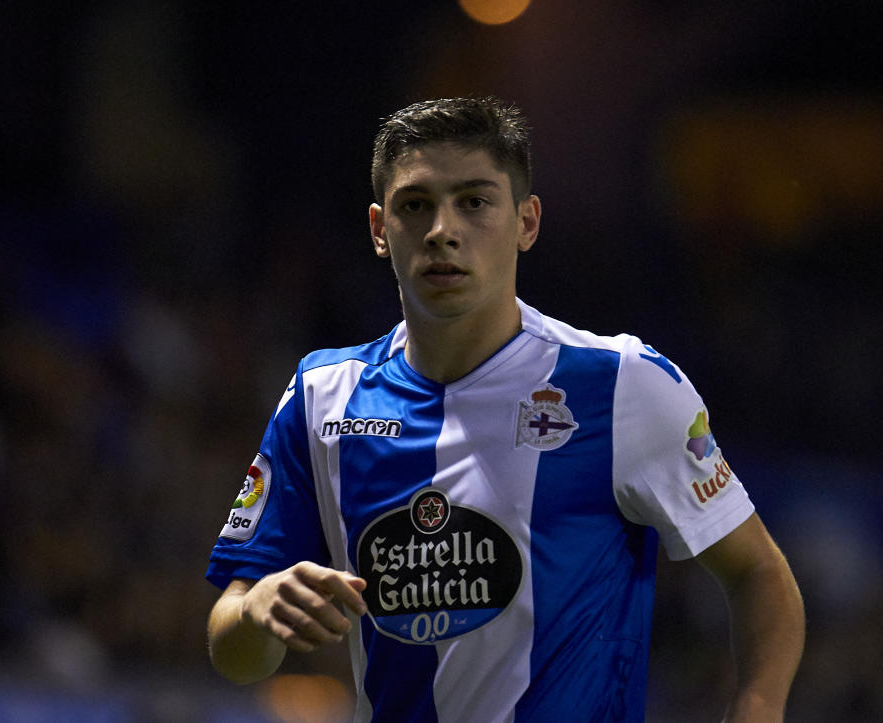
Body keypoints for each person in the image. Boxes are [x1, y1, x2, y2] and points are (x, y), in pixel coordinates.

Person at [205, 96, 804, 722]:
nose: (443, 229)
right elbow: (235, 650)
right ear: (381, 230)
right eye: (416, 205)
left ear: (527, 221)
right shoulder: (320, 394)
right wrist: (254, 611)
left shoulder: (622, 385)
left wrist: (756, 708)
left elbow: (758, 573)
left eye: (474, 201)